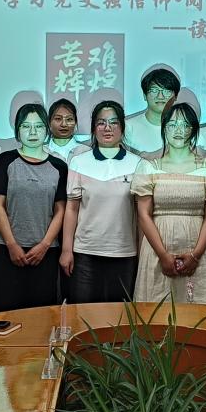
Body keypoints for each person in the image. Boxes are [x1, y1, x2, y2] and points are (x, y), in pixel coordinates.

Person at [132, 102, 206, 304]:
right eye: (173, 124)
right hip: (157, 250)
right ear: (164, 128)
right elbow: (143, 214)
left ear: (193, 130)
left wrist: (195, 255)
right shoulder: (148, 166)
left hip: (199, 249)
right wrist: (163, 255)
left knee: (200, 310)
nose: (178, 130)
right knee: (157, 313)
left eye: (185, 125)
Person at [59, 101, 141, 303]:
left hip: (123, 253)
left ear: (122, 127)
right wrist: (67, 250)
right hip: (85, 252)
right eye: (101, 122)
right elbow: (71, 209)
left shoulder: (137, 164)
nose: (107, 128)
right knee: (83, 314)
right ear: (94, 128)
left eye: (114, 122)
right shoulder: (79, 162)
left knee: (119, 316)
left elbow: (141, 214)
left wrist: (141, 252)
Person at [0, 103, 67, 310]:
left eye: (39, 126)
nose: (32, 132)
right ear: (17, 130)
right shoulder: (5, 160)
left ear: (47, 130)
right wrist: (12, 245)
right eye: (26, 126)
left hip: (45, 253)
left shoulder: (59, 166)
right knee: (6, 313)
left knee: (41, 314)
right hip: (7, 250)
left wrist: (44, 245)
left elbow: (60, 210)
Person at [123, 67, 180, 155]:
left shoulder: (184, 128)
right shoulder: (128, 128)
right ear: (144, 95)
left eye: (166, 91)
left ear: (175, 96)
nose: (160, 96)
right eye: (154, 90)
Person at [45, 98, 91, 163]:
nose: (64, 124)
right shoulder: (41, 151)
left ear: (75, 124)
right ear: (49, 124)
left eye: (69, 119)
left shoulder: (86, 152)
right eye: (58, 119)